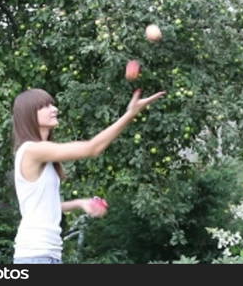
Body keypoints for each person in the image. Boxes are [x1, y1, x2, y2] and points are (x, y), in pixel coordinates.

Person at [11, 88, 165, 264]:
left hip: (47, 253)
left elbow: (44, 206)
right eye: (45, 106)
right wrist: (130, 114)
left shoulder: (40, 153)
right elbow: (92, 148)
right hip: (36, 255)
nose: (54, 109)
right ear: (29, 114)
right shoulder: (32, 150)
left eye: (52, 104)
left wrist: (80, 203)